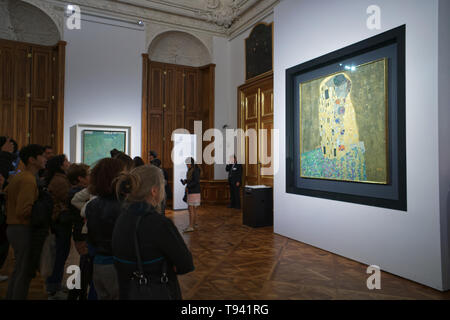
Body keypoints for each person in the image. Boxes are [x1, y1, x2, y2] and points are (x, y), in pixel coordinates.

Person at [112, 165, 194, 300]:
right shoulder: (159, 223)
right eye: (163, 185)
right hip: (155, 290)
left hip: (128, 290)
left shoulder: (122, 216)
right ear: (154, 191)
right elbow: (185, 264)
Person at [5, 144, 47, 299]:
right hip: (22, 228)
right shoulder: (28, 180)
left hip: (14, 227)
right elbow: (23, 211)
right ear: (32, 160)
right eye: (42, 156)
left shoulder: (20, 176)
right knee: (24, 271)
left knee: (19, 269)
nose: (45, 159)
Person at [85, 158, 126, 300]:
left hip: (99, 263)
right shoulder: (123, 206)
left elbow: (92, 238)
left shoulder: (92, 205)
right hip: (117, 266)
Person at [45, 154, 71, 299]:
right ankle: (53, 288)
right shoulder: (60, 181)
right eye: (66, 161)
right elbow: (68, 198)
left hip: (59, 222)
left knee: (60, 254)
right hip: (60, 221)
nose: (68, 163)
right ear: (61, 165)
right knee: (59, 255)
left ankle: (55, 284)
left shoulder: (59, 179)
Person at [65, 163, 90, 300]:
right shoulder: (76, 194)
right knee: (83, 265)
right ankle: (75, 294)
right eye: (88, 175)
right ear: (80, 178)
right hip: (80, 232)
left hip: (79, 231)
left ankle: (77, 293)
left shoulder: (76, 192)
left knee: (83, 265)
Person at [181, 157, 201, 233]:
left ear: (192, 163)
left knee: (191, 209)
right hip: (194, 191)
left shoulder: (195, 170)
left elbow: (196, 181)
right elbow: (191, 180)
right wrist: (185, 181)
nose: (187, 165)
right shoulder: (192, 169)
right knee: (193, 209)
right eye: (186, 164)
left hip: (193, 192)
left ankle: (191, 226)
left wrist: (188, 186)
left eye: (188, 163)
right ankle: (194, 224)